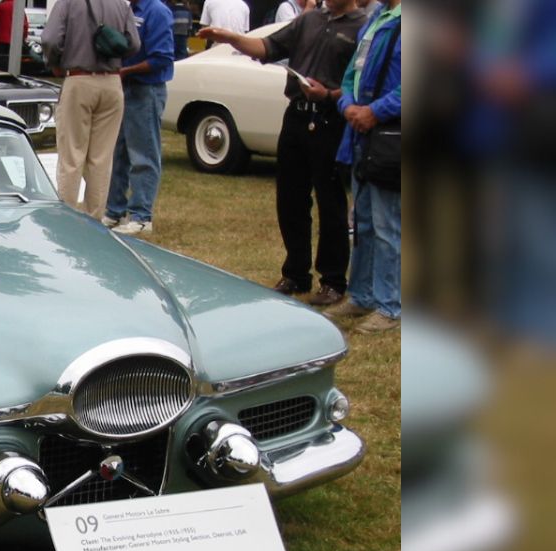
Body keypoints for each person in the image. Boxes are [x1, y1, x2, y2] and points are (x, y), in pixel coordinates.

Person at [199, 0, 366, 305]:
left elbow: (361, 84)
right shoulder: (309, 20)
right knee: (289, 199)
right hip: (297, 116)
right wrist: (232, 38)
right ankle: (295, 273)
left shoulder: (361, 27)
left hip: (331, 120)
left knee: (330, 203)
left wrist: (328, 94)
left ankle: (332, 281)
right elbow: (267, 46)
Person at [324, 0, 401, 331]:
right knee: (364, 221)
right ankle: (362, 296)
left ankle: (390, 306)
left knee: (388, 225)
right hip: (361, 136)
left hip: (390, 136)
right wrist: (349, 105)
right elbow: (352, 72)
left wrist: (375, 111)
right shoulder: (377, 17)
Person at [41, 0, 140, 219]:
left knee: (72, 157)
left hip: (79, 79)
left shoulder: (68, 3)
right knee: (102, 158)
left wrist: (54, 62)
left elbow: (49, 40)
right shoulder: (121, 5)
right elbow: (133, 44)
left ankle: (67, 220)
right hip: (112, 83)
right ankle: (94, 220)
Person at [104, 0, 176, 235]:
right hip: (124, 89)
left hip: (146, 91)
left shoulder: (157, 12)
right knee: (119, 152)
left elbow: (162, 58)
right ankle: (114, 211)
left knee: (143, 153)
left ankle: (142, 216)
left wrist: (126, 70)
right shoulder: (128, 10)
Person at [0, 0, 29, 71]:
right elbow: (25, 25)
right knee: (13, 62)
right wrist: (23, 37)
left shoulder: (1, 6)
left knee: (0, 62)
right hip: (15, 41)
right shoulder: (19, 7)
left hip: (2, 39)